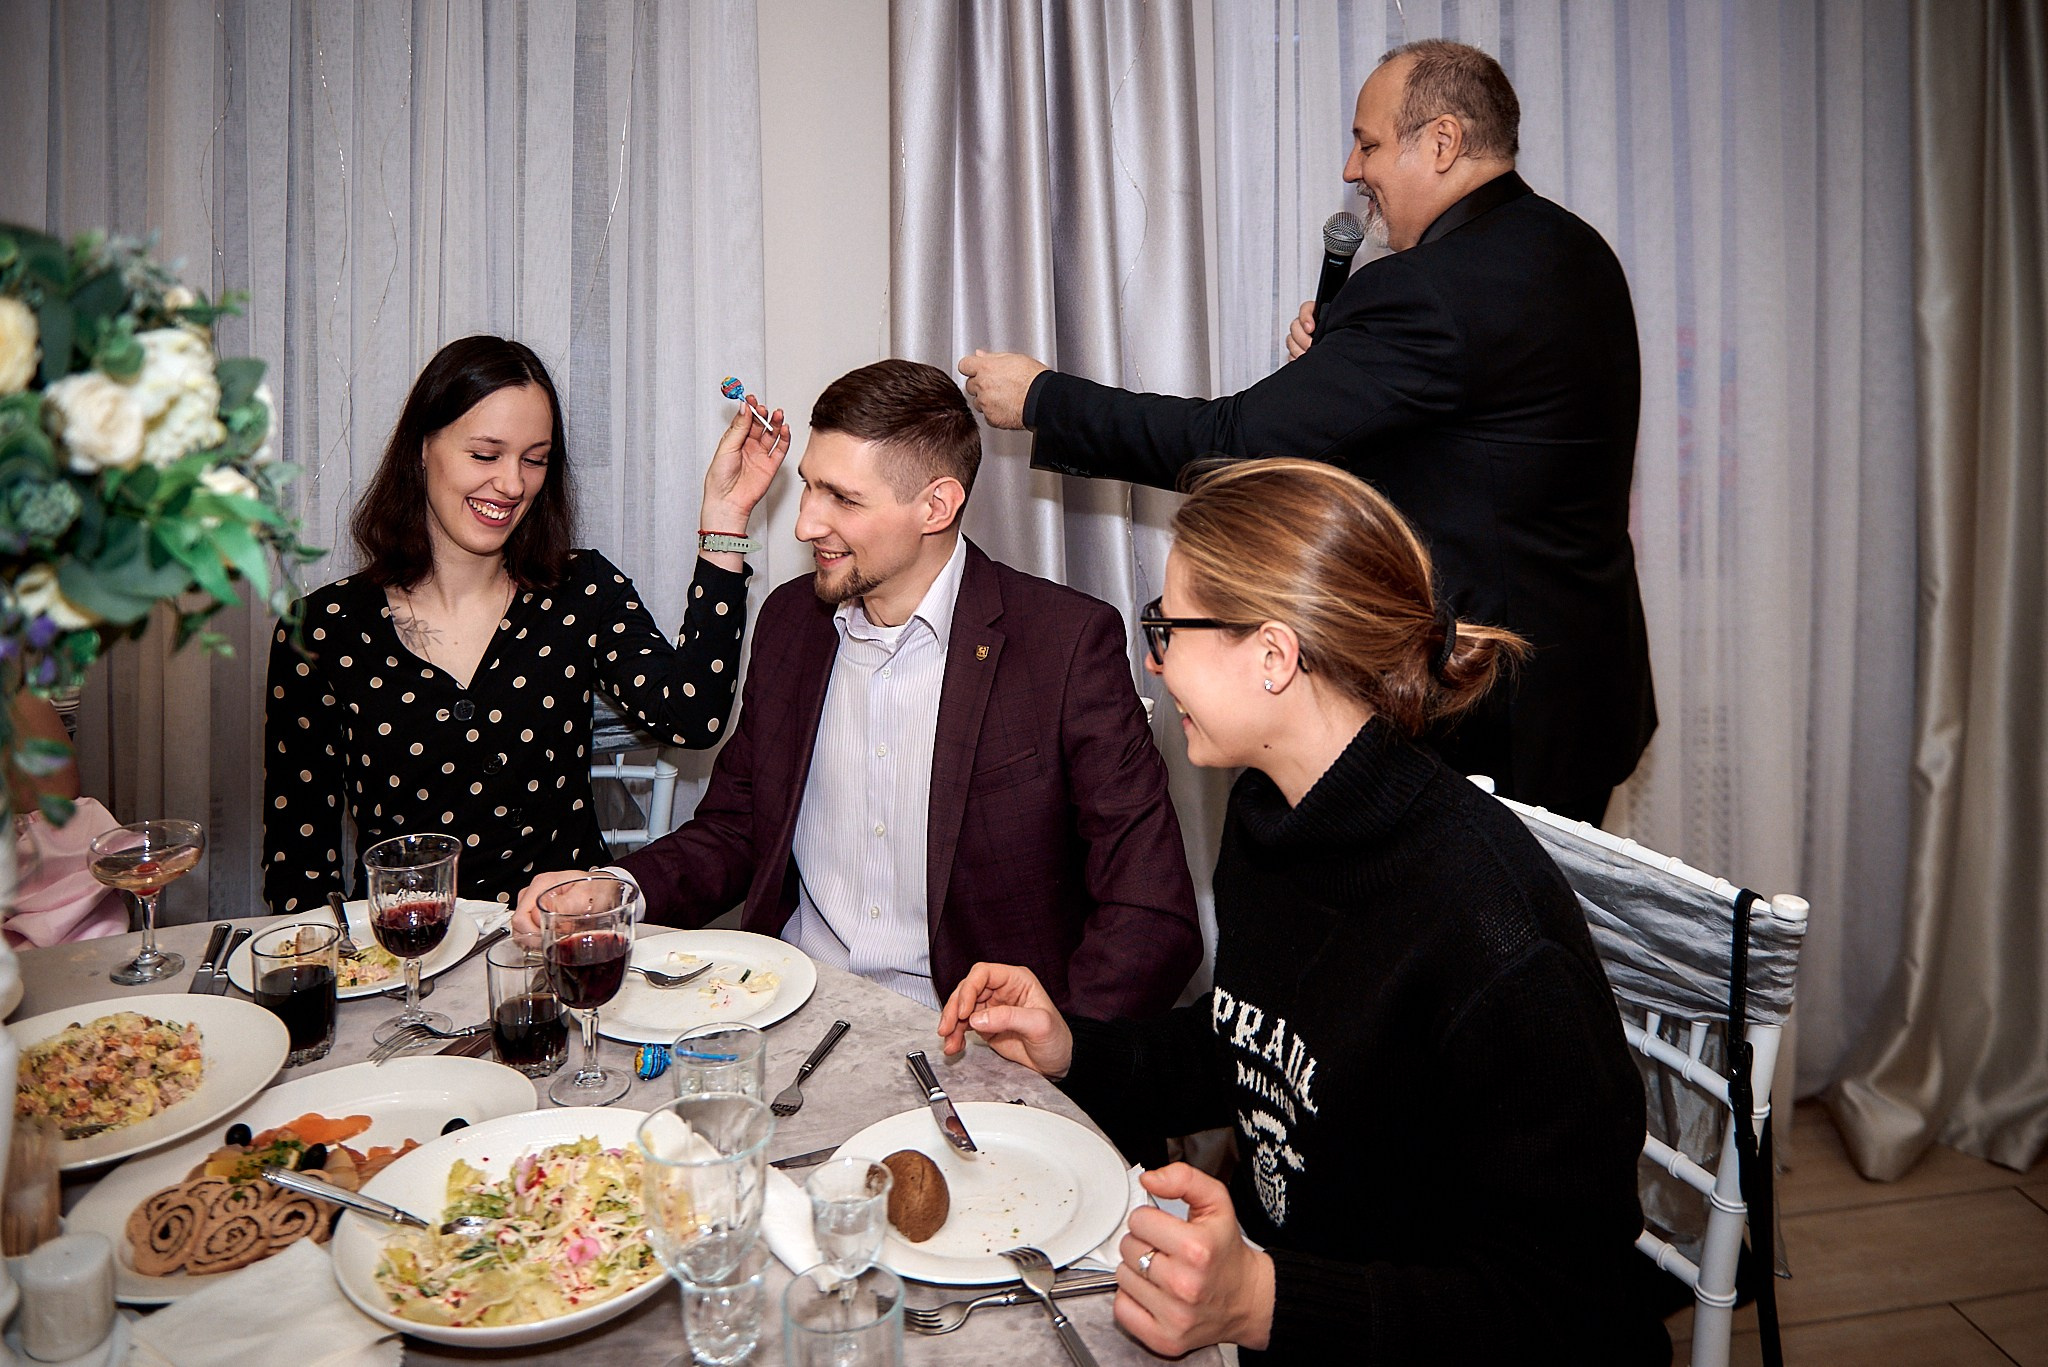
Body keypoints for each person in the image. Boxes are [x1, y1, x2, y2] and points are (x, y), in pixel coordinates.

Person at [936, 459, 1667, 1363]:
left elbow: (1568, 1304)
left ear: (1274, 656)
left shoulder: (1487, 930)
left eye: (1169, 628)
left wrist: (1264, 1301)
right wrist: (1076, 1046)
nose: (1153, 661)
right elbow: (1260, 1043)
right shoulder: (1272, 815)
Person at [957, 39, 1654, 825]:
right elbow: (1490, 449)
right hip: (1587, 695)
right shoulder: (1579, 251)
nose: (1354, 171)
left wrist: (1045, 397)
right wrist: (1341, 376)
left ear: (1445, 142)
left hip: (1482, 715)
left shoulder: (1426, 291)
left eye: (1369, 143)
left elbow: (1236, 438)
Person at [516, 359, 1201, 1018]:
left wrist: (1057, 1056)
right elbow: (736, 829)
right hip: (791, 1013)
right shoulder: (792, 623)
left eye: (841, 498)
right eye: (810, 485)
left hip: (967, 1050)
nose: (805, 523)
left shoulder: (1063, 643)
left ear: (937, 505)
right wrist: (616, 890)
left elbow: (1152, 913)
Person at [263, 335, 788, 911]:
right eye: (486, 455)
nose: (513, 484)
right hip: (410, 970)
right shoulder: (318, 630)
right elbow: (301, 874)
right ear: (420, 449)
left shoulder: (582, 591)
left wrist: (726, 517)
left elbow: (694, 717)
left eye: (534, 460)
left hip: (566, 952)